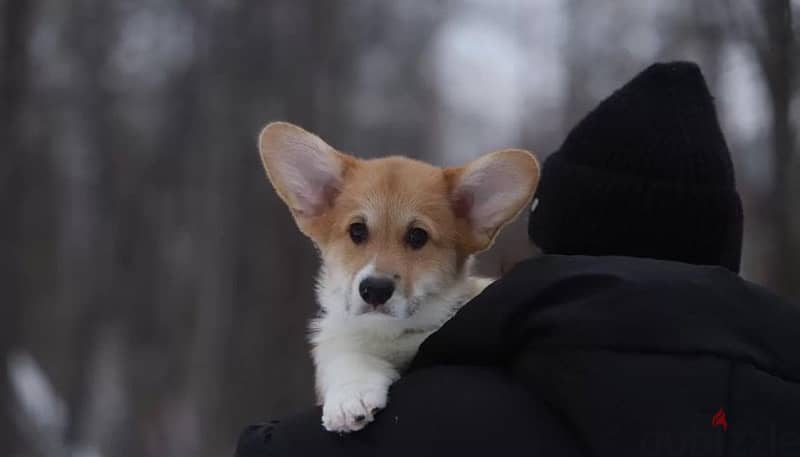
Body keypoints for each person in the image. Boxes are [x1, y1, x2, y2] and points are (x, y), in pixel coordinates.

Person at [236, 62, 800, 457]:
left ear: (550, 235)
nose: (380, 269)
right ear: (727, 245)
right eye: (358, 232)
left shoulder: (463, 402)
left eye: (415, 239)